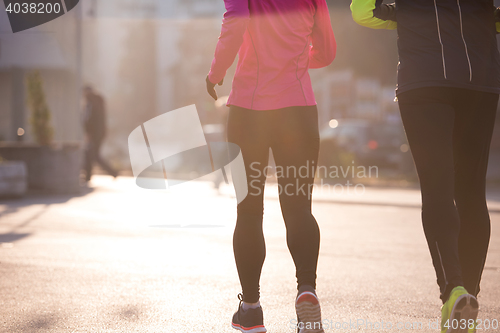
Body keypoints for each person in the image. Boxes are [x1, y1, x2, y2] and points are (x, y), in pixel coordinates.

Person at [351, 1, 500, 332]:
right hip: (480, 76)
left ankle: (454, 290)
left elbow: (363, 10)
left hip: (425, 76)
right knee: (472, 193)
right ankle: (468, 300)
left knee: (437, 189)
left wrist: (406, 15)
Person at [206, 0, 336, 332]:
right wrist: (296, 60)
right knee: (298, 209)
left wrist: (216, 72)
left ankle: (251, 309)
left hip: (249, 110)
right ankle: (306, 289)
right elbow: (328, 50)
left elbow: (235, 21)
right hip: (299, 109)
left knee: (249, 211)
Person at [82, 85, 118, 182]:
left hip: (95, 133)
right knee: (91, 154)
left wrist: (89, 133)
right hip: (100, 132)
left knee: (93, 154)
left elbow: (89, 120)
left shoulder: (90, 102)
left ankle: (112, 172)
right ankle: (89, 175)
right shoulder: (98, 101)